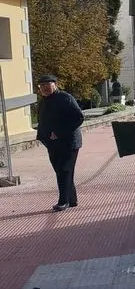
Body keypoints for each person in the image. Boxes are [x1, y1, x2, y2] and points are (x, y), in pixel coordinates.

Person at [35, 75, 85, 211]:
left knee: (64, 170)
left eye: (47, 85)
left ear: (55, 84)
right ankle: (72, 200)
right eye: (42, 86)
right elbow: (42, 120)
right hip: (52, 144)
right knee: (61, 171)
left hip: (69, 142)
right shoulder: (43, 101)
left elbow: (79, 117)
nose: (45, 88)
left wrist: (60, 132)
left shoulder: (65, 98)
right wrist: (42, 137)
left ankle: (63, 201)